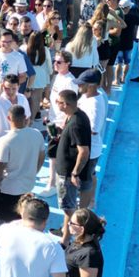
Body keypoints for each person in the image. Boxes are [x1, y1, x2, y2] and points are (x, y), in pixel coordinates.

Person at [0, 105, 46, 224]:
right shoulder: (37, 135)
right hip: (28, 188)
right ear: (25, 117)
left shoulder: (5, 141)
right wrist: (33, 172)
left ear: (8, 118)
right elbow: (41, 157)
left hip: (8, 190)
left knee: (7, 225)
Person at [53, 90, 91, 237]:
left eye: (58, 102)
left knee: (69, 208)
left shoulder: (76, 123)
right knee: (68, 206)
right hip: (66, 171)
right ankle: (65, 231)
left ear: (65, 104)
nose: (56, 104)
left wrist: (75, 173)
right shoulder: (75, 116)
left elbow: (84, 151)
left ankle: (67, 239)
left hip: (67, 174)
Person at [75, 69, 108, 210]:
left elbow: (93, 130)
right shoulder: (86, 96)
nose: (78, 86)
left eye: (81, 84)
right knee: (91, 175)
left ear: (91, 85)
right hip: (88, 148)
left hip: (90, 149)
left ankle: (84, 208)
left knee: (86, 181)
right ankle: (91, 200)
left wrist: (73, 131)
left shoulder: (95, 104)